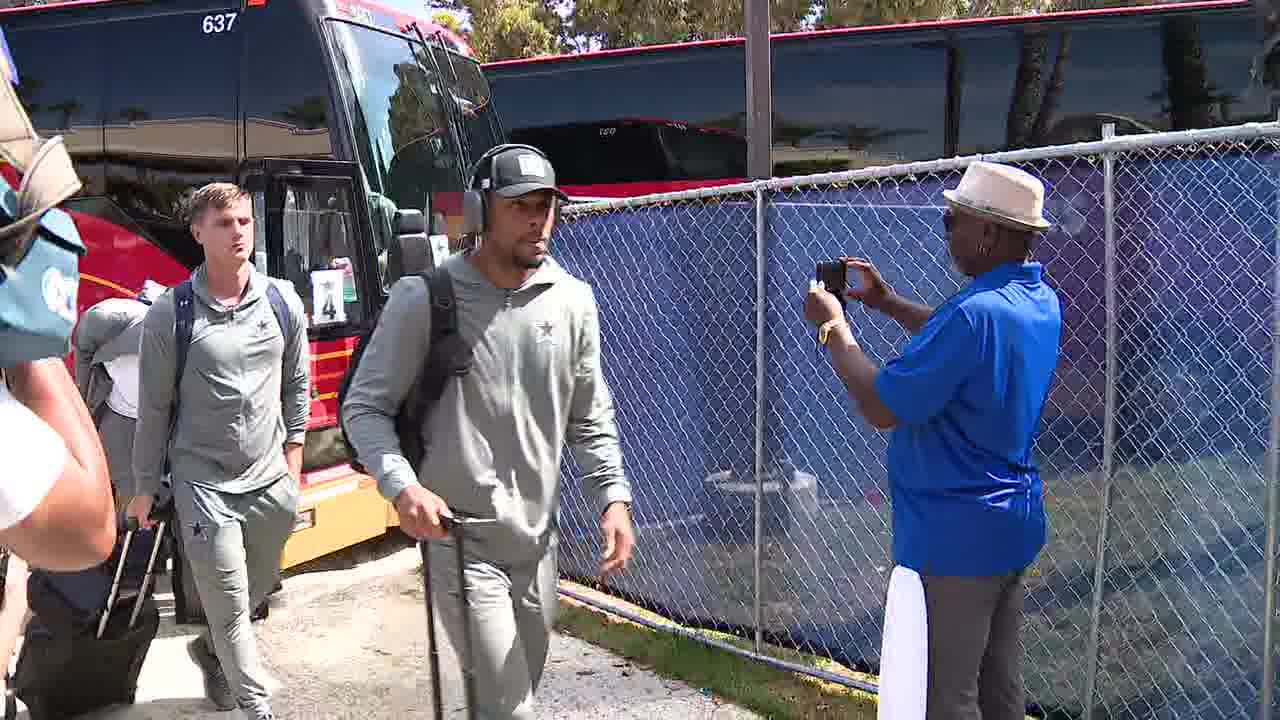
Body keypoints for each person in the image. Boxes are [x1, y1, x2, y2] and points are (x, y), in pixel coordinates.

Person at [342, 144, 636, 720]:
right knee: (511, 709)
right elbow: (364, 408)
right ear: (480, 212)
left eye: (546, 206)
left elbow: (589, 413)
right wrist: (403, 487)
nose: (536, 219)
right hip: (461, 543)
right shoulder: (425, 299)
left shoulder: (573, 301)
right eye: (519, 205)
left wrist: (613, 496)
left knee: (506, 695)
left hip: (538, 543)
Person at [803, 161, 1063, 720]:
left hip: (953, 537)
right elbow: (957, 338)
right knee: (999, 689)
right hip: (1009, 525)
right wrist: (888, 303)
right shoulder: (1035, 301)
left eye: (953, 221)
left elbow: (881, 405)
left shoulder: (973, 315)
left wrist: (833, 328)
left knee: (946, 697)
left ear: (989, 232)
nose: (946, 230)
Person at [128, 182, 310, 720]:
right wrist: (143, 487)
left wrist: (294, 457)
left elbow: (296, 383)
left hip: (271, 479)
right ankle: (258, 709)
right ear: (198, 232)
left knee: (252, 593)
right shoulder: (172, 313)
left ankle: (210, 651)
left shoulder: (282, 300)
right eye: (226, 222)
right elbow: (153, 407)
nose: (239, 232)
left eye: (245, 222)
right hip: (202, 482)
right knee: (232, 606)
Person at [74, 280, 168, 510]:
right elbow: (84, 350)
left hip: (154, 426)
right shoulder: (106, 320)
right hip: (117, 418)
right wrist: (83, 403)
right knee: (112, 488)